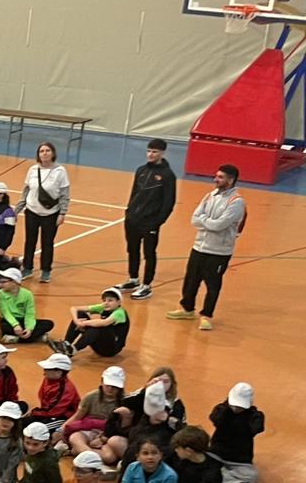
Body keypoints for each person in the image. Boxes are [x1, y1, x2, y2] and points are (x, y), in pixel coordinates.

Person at [167, 164, 246, 331]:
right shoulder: (209, 196)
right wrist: (208, 222)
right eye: (216, 176)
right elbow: (194, 218)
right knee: (191, 280)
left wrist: (204, 221)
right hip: (199, 247)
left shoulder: (236, 202)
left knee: (212, 285)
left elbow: (219, 225)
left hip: (219, 251)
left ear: (231, 180)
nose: (216, 179)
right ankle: (187, 309)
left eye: (220, 177)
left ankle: (207, 316)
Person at [121, 137, 178, 299]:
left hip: (150, 223)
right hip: (133, 219)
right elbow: (134, 194)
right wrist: (129, 212)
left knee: (149, 253)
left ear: (162, 153)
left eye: (154, 152)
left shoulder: (168, 175)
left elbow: (168, 203)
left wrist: (157, 222)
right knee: (132, 249)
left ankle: (147, 285)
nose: (150, 154)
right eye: (149, 151)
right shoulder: (141, 170)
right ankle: (133, 279)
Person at [15, 141, 70, 282]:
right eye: (41, 151)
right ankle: (27, 268)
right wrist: (17, 210)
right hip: (32, 211)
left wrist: (62, 213)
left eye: (47, 151)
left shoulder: (60, 171)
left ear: (53, 153)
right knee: (30, 241)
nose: (44, 153)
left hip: (51, 214)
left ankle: (46, 270)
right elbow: (26, 191)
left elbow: (64, 194)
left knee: (47, 243)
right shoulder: (33, 170)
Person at [209, 382, 264, 483]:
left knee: (252, 476)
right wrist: (226, 407)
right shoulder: (221, 410)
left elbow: (257, 428)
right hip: (216, 453)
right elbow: (215, 419)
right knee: (203, 465)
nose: (236, 408)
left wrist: (250, 413)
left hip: (239, 460)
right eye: (234, 404)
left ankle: (222, 476)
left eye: (240, 406)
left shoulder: (254, 416)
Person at [53, 287, 131, 359]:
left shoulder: (120, 313)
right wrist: (77, 321)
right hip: (99, 345)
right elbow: (74, 308)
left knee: (98, 327)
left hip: (111, 349)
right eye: (104, 300)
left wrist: (83, 323)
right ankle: (66, 344)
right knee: (80, 314)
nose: (106, 303)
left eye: (110, 300)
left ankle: (72, 350)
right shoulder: (104, 307)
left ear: (118, 302)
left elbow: (104, 322)